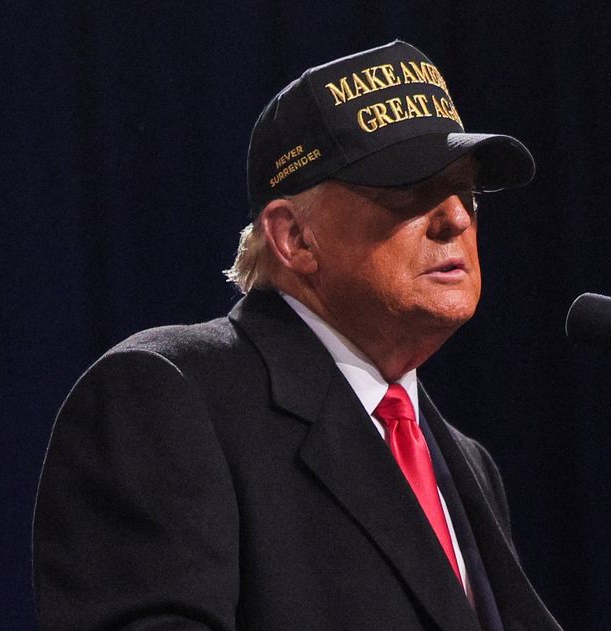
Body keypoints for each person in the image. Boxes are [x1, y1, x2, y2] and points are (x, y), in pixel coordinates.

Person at [33, 40, 562, 631]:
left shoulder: (468, 464)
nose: (457, 218)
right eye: (411, 189)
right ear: (294, 238)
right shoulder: (168, 397)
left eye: (464, 190)